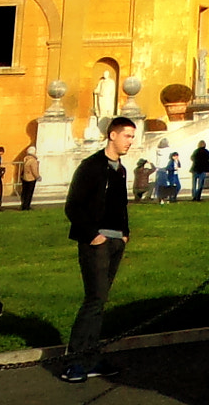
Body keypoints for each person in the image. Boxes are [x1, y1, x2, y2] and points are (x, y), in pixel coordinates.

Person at [61, 115, 136, 384]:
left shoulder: (121, 170)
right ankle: (75, 361)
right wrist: (93, 235)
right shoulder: (91, 167)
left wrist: (125, 234)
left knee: (100, 301)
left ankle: (91, 357)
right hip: (97, 242)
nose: (130, 141)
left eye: (132, 136)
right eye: (127, 135)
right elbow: (73, 206)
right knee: (94, 300)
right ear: (112, 135)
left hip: (116, 241)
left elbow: (120, 205)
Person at [16, 145, 41, 211]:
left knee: (24, 192)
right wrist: (38, 177)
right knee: (29, 193)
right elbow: (34, 170)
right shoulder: (33, 160)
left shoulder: (25, 159)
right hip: (31, 178)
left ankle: (23, 205)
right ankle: (27, 206)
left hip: (25, 177)